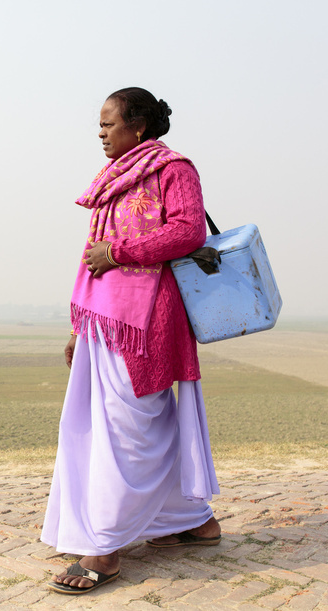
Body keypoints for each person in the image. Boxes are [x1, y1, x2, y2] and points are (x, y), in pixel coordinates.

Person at [42, 87, 221, 595]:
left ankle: (106, 546)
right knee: (114, 425)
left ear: (137, 125)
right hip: (103, 318)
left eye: (107, 124)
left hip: (147, 319)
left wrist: (118, 253)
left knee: (129, 427)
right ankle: (191, 522)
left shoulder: (173, 169)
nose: (99, 134)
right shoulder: (111, 178)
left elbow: (188, 233)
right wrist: (78, 328)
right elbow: (89, 257)